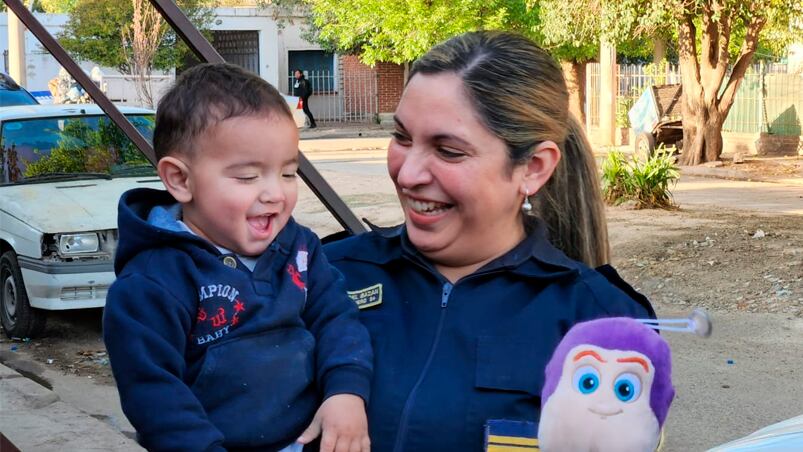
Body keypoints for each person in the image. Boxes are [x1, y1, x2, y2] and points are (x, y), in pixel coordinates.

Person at [322, 31, 655, 451]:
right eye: (402, 137)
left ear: (533, 167)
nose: (407, 174)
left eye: (448, 151)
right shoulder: (323, 275)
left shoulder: (602, 323)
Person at [103, 63, 371, 452]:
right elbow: (156, 396)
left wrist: (346, 391)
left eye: (288, 173)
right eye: (247, 177)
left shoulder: (300, 249)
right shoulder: (151, 283)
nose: (275, 194)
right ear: (180, 180)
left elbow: (337, 320)